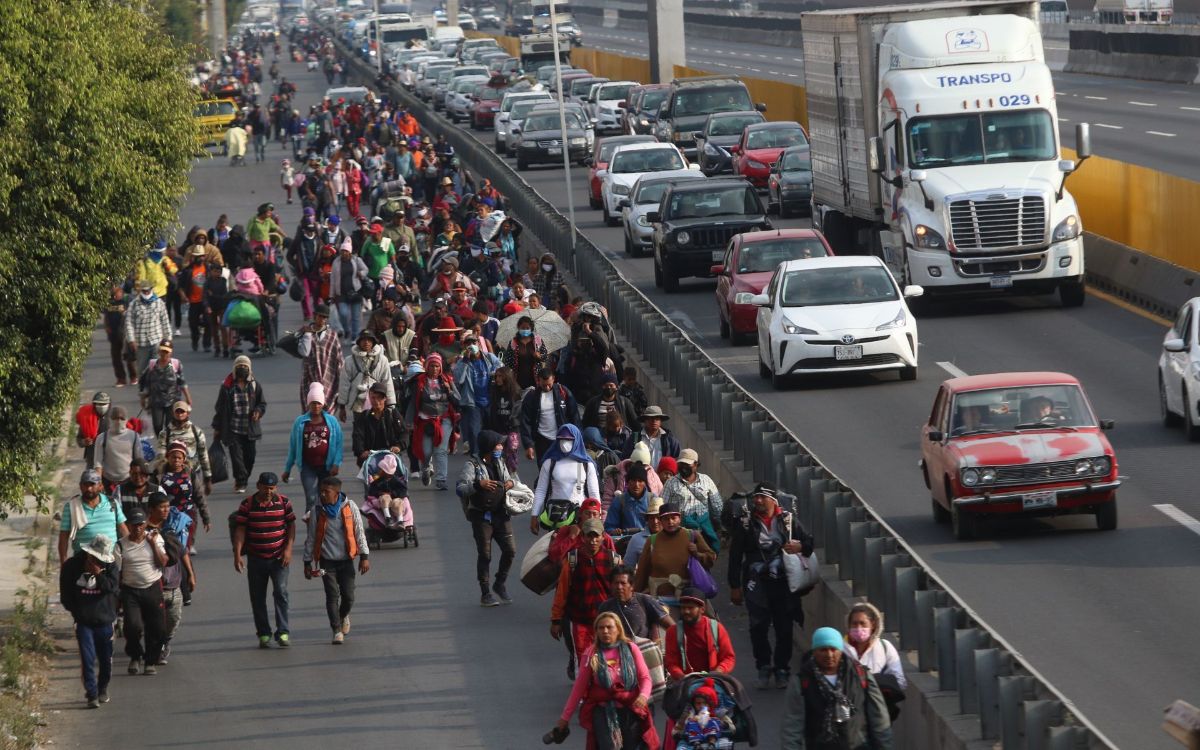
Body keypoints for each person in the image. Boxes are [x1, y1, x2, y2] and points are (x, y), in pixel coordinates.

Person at [728, 482, 814, 690]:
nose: (757, 501)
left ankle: (782, 668)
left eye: (763, 497)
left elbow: (810, 543)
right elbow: (735, 556)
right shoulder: (746, 523)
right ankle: (764, 666)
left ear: (773, 501)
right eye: (756, 497)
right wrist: (735, 586)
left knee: (784, 628)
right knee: (758, 627)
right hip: (756, 583)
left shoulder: (788, 520)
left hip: (783, 583)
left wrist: (800, 546)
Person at [548, 610, 659, 749]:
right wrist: (564, 718)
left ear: (618, 629)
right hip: (602, 712)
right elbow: (579, 688)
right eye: (601, 628)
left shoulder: (631, 648)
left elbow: (645, 678)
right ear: (596, 631)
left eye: (609, 627)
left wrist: (643, 696)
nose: (605, 631)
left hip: (630, 709)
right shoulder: (591, 653)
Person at [780, 627, 893, 750]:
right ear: (814, 651)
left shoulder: (860, 675)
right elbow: (792, 726)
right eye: (823, 650)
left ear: (840, 650)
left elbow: (879, 718)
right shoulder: (802, 682)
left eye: (833, 649)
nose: (829, 655)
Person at [303, 476, 370, 645]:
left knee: (349, 597)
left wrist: (364, 556)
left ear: (337, 493)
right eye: (322, 491)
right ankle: (336, 630)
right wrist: (307, 562)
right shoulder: (317, 510)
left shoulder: (349, 507)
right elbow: (311, 538)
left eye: (327, 492)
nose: (323, 495)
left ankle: (343, 616)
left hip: (346, 560)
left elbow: (359, 532)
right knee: (332, 596)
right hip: (327, 562)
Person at [233, 472, 297, 649]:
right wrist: (237, 555)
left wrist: (288, 549)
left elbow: (291, 525)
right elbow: (240, 530)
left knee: (281, 593)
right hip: (256, 559)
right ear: (258, 486)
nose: (269, 491)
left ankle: (283, 631)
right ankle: (263, 633)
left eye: (272, 488)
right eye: (266, 487)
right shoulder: (247, 504)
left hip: (279, 559)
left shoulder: (284, 503)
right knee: (258, 597)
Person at [551, 518, 620, 674]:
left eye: (597, 536)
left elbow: (623, 591)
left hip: (608, 621)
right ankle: (583, 695)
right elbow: (561, 591)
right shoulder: (572, 560)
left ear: (603, 537)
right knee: (583, 660)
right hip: (580, 621)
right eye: (589, 536)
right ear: (583, 537)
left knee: (610, 660)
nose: (593, 540)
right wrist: (556, 620)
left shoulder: (614, 560)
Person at [456, 430, 517, 607]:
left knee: (510, 550)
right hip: (481, 516)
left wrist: (511, 483)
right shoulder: (472, 465)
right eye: (498, 444)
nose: (500, 447)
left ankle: (500, 583)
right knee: (485, 554)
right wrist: (478, 484)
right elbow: (460, 488)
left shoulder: (501, 462)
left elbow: (514, 479)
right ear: (489, 447)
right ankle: (485, 593)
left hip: (501, 514)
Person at [59, 535, 119, 709]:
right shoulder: (71, 566)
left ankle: (102, 689)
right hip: (84, 622)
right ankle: (91, 694)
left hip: (105, 621)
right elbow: (66, 595)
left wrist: (98, 574)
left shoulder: (110, 566)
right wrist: (78, 613)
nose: (98, 561)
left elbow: (112, 589)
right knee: (87, 658)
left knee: (105, 661)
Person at [633, 502, 716, 616]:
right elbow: (641, 573)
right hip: (660, 601)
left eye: (673, 518)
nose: (670, 522)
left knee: (709, 628)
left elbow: (711, 558)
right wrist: (635, 598)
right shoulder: (652, 541)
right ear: (661, 521)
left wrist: (698, 554)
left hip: (690, 600)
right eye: (666, 519)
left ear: (680, 518)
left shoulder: (692, 535)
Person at [116, 506, 168, 676]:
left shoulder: (155, 538)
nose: (137, 528)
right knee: (132, 627)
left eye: (140, 524)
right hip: (130, 591)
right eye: (133, 524)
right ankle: (135, 655)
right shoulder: (120, 545)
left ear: (145, 524)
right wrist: (117, 597)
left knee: (158, 628)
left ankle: (150, 660)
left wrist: (152, 544)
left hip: (152, 588)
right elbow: (117, 572)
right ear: (128, 526)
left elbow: (163, 562)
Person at [283, 383, 344, 518]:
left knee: (327, 497)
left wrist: (336, 463)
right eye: (312, 403)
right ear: (308, 404)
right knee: (311, 498)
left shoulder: (332, 422)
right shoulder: (300, 422)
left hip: (326, 467)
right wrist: (287, 469)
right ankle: (312, 529)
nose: (315, 407)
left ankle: (326, 526)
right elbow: (293, 446)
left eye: (318, 403)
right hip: (307, 466)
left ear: (322, 404)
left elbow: (339, 444)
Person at [145, 492, 191, 663]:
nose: (166, 510)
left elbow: (182, 551)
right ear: (151, 509)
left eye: (167, 507)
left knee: (173, 619)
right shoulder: (142, 530)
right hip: (153, 584)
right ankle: (154, 652)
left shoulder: (172, 526)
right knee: (153, 622)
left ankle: (165, 642)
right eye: (162, 507)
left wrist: (191, 574)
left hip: (174, 583)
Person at [212, 355, 268, 494]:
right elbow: (220, 408)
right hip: (233, 429)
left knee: (250, 457)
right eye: (239, 366)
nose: (242, 368)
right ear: (234, 369)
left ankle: (244, 477)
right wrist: (217, 427)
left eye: (245, 366)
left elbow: (262, 403)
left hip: (250, 429)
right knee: (237, 458)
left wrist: (258, 411)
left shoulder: (255, 385)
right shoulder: (227, 387)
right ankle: (241, 481)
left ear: (249, 369)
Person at [531, 424, 601, 534]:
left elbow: (594, 493)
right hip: (556, 517)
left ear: (577, 440)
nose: (564, 443)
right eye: (561, 439)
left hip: (580, 517)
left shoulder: (586, 465)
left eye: (568, 440)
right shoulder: (549, 463)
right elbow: (541, 490)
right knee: (556, 549)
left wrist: (598, 518)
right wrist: (534, 516)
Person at [844, 602, 907, 721]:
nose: (858, 628)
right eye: (854, 624)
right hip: (850, 714)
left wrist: (873, 682)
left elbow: (900, 681)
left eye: (863, 623)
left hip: (878, 712)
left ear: (873, 624)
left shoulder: (885, 647)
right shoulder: (841, 649)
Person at [406, 352, 461, 490]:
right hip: (425, 420)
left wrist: (449, 391)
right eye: (432, 366)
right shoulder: (419, 382)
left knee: (441, 450)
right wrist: (409, 422)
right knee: (426, 451)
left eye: (437, 366)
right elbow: (413, 403)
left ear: (441, 367)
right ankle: (426, 469)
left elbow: (458, 399)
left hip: (444, 419)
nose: (435, 369)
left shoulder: (447, 380)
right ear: (427, 367)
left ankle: (441, 479)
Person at [660, 449, 724, 554]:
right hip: (680, 531)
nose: (683, 467)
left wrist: (719, 527)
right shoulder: (671, 483)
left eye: (687, 464)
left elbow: (717, 506)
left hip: (703, 530)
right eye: (681, 464)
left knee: (703, 561)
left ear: (695, 464)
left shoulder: (706, 480)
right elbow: (662, 505)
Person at [59, 469, 129, 564]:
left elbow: (123, 529)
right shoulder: (72, 507)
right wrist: (64, 562)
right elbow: (64, 536)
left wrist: (130, 554)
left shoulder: (112, 503)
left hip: (110, 560)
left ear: (100, 486)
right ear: (80, 486)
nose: (89, 489)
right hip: (82, 561)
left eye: (92, 485)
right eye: (85, 485)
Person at [452, 332, 501, 457]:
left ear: (479, 344)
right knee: (474, 431)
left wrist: (495, 374)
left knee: (491, 430)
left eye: (474, 343)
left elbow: (502, 369)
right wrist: (465, 360)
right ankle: (475, 456)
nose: (472, 345)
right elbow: (458, 379)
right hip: (473, 402)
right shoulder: (462, 362)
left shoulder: (489, 358)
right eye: (468, 344)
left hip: (490, 400)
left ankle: (493, 455)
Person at [598, 565, 674, 642]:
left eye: (623, 583)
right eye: (616, 583)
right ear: (611, 585)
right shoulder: (606, 607)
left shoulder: (644, 600)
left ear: (632, 586)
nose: (619, 587)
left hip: (642, 651)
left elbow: (671, 627)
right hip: (616, 652)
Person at [520, 368, 580, 464]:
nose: (547, 387)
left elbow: (574, 415)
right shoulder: (532, 396)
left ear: (553, 379)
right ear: (538, 381)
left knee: (562, 470)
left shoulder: (563, 392)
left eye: (549, 384)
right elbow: (525, 421)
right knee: (545, 470)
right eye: (544, 385)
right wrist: (528, 445)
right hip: (542, 441)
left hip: (563, 439)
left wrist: (577, 438)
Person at [156, 401, 213, 497]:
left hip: (193, 473)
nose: (179, 414)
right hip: (172, 473)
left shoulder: (196, 431)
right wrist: (159, 475)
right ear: (173, 413)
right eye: (177, 412)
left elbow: (203, 455)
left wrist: (207, 478)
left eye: (182, 412)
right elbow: (161, 455)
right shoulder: (165, 433)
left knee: (195, 501)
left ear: (187, 413)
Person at [339, 329, 396, 419]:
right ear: (359, 342)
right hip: (358, 403)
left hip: (378, 403)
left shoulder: (382, 360)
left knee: (376, 430)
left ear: (373, 342)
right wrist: (342, 407)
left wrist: (390, 404)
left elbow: (387, 382)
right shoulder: (349, 361)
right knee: (359, 430)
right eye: (363, 340)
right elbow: (344, 384)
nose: (366, 342)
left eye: (369, 340)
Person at [298, 304, 344, 412]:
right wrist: (307, 335)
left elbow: (339, 358)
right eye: (320, 316)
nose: (322, 320)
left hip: (329, 378)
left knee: (327, 413)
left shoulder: (332, 336)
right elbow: (303, 352)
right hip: (309, 377)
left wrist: (341, 378)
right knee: (311, 410)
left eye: (325, 317)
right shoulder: (306, 332)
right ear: (315, 316)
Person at [139, 340, 189, 435]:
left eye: (167, 352)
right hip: (156, 401)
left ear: (171, 352)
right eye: (162, 351)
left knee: (170, 426)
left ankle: (168, 446)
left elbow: (182, 381)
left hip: (172, 400)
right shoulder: (152, 365)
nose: (164, 354)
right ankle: (161, 443)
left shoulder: (175, 364)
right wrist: (143, 397)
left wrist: (188, 397)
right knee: (157, 426)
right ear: (159, 351)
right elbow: (145, 381)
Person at [352, 381, 408, 466]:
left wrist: (398, 447)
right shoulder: (364, 417)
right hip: (370, 458)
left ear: (385, 398)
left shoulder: (392, 414)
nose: (376, 401)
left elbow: (404, 433)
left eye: (379, 398)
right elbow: (357, 436)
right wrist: (361, 452)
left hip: (390, 457)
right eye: (373, 398)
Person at [126, 280, 173, 376]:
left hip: (156, 341)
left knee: (158, 368)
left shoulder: (159, 303)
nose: (146, 293)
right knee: (142, 370)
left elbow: (165, 321)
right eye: (144, 291)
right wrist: (131, 340)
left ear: (151, 289)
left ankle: (157, 389)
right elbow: (129, 323)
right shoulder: (134, 304)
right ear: (140, 290)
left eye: (148, 290)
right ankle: (144, 389)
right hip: (141, 343)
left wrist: (168, 339)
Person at [675, 679, 735, 750]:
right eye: (698, 703)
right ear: (694, 704)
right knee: (691, 724)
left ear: (711, 704)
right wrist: (688, 722)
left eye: (705, 703)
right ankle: (697, 744)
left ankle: (711, 744)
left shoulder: (719, 713)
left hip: (714, 736)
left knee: (713, 722)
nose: (701, 706)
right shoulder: (690, 713)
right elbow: (677, 729)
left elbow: (732, 728)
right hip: (694, 737)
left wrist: (721, 723)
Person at [485, 366, 523, 473]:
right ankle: (502, 473)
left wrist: (515, 423)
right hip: (498, 428)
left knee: (511, 450)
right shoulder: (494, 391)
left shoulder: (515, 392)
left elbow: (518, 410)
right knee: (498, 454)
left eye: (500, 376)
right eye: (496, 376)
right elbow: (492, 409)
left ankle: (512, 473)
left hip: (512, 428)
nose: (497, 379)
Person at [93, 407, 139, 493]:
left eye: (122, 418)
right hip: (108, 482)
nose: (118, 421)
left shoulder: (133, 436)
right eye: (115, 418)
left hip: (128, 480)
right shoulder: (102, 438)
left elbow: (139, 460)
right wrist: (98, 483)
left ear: (126, 420)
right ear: (110, 419)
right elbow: (98, 463)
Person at [330, 240, 369, 340]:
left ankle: (355, 336)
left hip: (355, 291)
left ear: (350, 252)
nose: (344, 253)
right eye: (342, 251)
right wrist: (332, 295)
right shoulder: (336, 262)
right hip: (341, 293)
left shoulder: (356, 260)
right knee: (343, 313)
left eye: (346, 251)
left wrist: (361, 274)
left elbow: (365, 269)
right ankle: (346, 329)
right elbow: (333, 279)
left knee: (356, 317)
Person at [605, 462, 656, 536]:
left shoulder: (653, 500)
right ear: (628, 482)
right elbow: (609, 527)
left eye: (640, 481)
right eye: (633, 480)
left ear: (645, 483)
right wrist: (614, 531)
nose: (636, 485)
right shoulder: (619, 500)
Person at [501, 314, 549, 390]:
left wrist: (539, 356)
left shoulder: (537, 341)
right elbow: (507, 362)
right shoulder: (513, 342)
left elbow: (545, 357)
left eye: (527, 328)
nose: (525, 330)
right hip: (518, 379)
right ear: (518, 328)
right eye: (523, 328)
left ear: (531, 329)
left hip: (535, 378)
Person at [104, 285, 138, 387]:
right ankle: (121, 379)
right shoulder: (109, 302)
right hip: (113, 334)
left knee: (129, 356)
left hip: (126, 333)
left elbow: (134, 315)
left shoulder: (128, 300)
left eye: (116, 294)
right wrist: (107, 327)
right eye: (112, 294)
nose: (114, 296)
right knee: (116, 357)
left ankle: (133, 377)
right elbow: (106, 315)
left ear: (121, 292)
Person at [623, 497, 664, 571]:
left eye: (658, 517)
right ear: (647, 520)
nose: (655, 522)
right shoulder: (636, 539)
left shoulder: (673, 537)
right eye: (651, 518)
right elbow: (628, 567)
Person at [75, 392, 112, 465]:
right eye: (99, 404)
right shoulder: (86, 419)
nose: (102, 407)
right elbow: (79, 439)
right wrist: (84, 442)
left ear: (109, 405)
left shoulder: (113, 418)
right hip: (92, 458)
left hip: (110, 458)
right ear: (94, 405)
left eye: (104, 404)